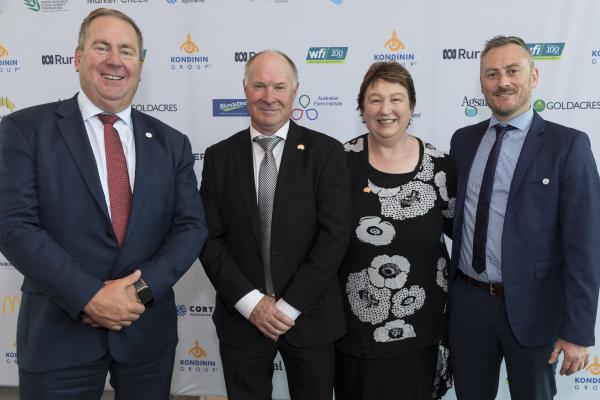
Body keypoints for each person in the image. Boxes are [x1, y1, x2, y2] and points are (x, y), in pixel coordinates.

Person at [0, 8, 207, 400]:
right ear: (78, 58)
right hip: (59, 336)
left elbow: (190, 227)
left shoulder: (171, 142)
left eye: (127, 51)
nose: (115, 60)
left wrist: (140, 292)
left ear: (140, 65)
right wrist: (89, 297)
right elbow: (13, 225)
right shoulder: (25, 130)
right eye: (102, 47)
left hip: (146, 337)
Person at [448, 35, 600, 400]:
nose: (503, 82)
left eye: (512, 71)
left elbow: (585, 244)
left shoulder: (568, 145)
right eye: (492, 74)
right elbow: (455, 217)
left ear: (533, 76)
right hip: (469, 305)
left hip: (535, 309)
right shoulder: (463, 141)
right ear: (482, 84)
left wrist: (578, 331)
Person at [199, 50, 351, 400]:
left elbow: (335, 237)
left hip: (309, 318)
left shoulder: (326, 153)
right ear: (245, 89)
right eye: (260, 85)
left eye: (279, 86)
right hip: (242, 319)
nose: (269, 96)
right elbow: (209, 239)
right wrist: (253, 304)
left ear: (295, 90)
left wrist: (287, 307)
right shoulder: (219, 157)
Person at [335, 61, 455, 400]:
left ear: (412, 107)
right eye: (375, 99)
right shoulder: (339, 163)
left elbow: (461, 232)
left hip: (422, 327)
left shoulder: (441, 168)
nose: (385, 109)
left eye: (396, 99)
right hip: (354, 328)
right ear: (361, 108)